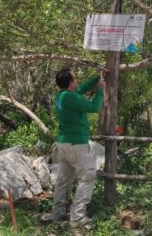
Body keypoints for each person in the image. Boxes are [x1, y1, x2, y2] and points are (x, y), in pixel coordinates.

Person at [41, 68, 106, 230]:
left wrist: (97, 77)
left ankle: (57, 214)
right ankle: (77, 218)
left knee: (63, 181)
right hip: (76, 146)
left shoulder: (62, 96)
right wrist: (100, 90)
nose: (77, 81)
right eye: (75, 79)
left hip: (63, 145)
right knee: (87, 177)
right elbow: (94, 107)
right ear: (70, 82)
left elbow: (81, 90)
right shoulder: (70, 98)